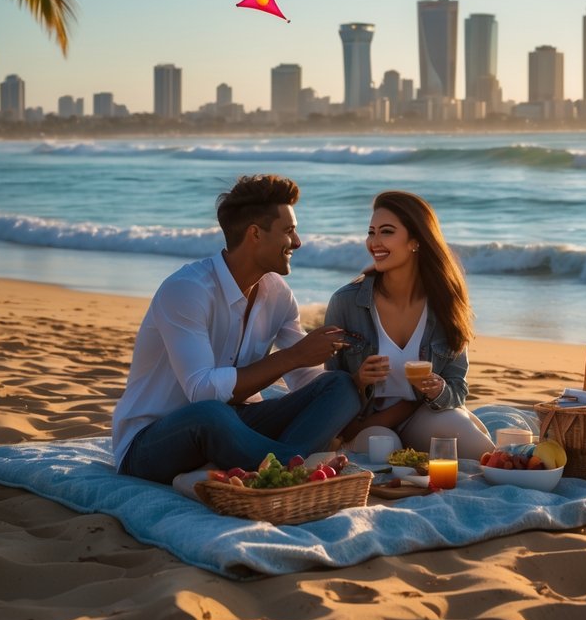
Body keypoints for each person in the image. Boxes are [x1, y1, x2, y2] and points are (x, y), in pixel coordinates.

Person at [112, 174, 361, 484]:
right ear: (255, 233)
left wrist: (354, 387)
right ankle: (293, 466)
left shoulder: (278, 294)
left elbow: (304, 380)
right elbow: (201, 390)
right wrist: (295, 355)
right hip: (153, 441)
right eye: (289, 231)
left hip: (238, 426)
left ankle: (278, 464)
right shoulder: (187, 290)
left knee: (339, 387)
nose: (297, 242)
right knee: (210, 413)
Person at [325, 190, 494, 460]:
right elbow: (330, 387)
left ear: (415, 241)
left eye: (387, 232)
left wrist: (438, 389)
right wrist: (358, 381)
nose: (374, 242)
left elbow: (457, 389)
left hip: (420, 414)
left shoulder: (443, 304)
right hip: (369, 421)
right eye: (371, 232)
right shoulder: (346, 303)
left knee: (482, 453)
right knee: (385, 450)